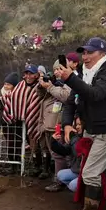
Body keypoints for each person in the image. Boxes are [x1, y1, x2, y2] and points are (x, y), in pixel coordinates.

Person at [56, 37, 106, 210]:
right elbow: (72, 100)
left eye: (90, 52)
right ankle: (90, 206)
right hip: (92, 127)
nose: (85, 56)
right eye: (84, 52)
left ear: (102, 53)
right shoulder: (85, 73)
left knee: (91, 172)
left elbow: (95, 95)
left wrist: (70, 78)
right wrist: (67, 123)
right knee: (90, 170)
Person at [40, 61, 72, 190]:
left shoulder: (70, 82)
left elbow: (66, 96)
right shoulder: (54, 83)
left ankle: (61, 181)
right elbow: (40, 97)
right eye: (55, 69)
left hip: (62, 123)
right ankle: (60, 179)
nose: (57, 72)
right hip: (50, 122)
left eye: (60, 69)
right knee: (55, 154)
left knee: (62, 154)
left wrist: (50, 87)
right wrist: (42, 85)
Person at [50, 116, 84, 192]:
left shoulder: (90, 139)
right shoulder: (75, 138)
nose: (78, 127)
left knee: (73, 185)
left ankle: (82, 189)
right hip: (77, 171)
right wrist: (54, 141)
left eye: (80, 124)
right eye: (77, 124)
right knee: (61, 175)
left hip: (87, 173)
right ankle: (79, 187)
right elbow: (64, 150)